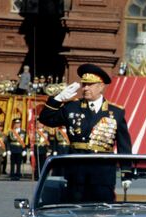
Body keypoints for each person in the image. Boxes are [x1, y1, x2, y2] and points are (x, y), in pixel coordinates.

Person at [39, 63, 133, 202]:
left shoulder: (116, 112)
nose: (85, 88)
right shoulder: (72, 107)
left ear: (101, 86)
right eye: (84, 85)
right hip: (77, 170)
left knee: (102, 213)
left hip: (102, 172)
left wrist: (126, 173)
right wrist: (58, 98)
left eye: (90, 84)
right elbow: (46, 119)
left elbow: (124, 145)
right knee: (76, 211)